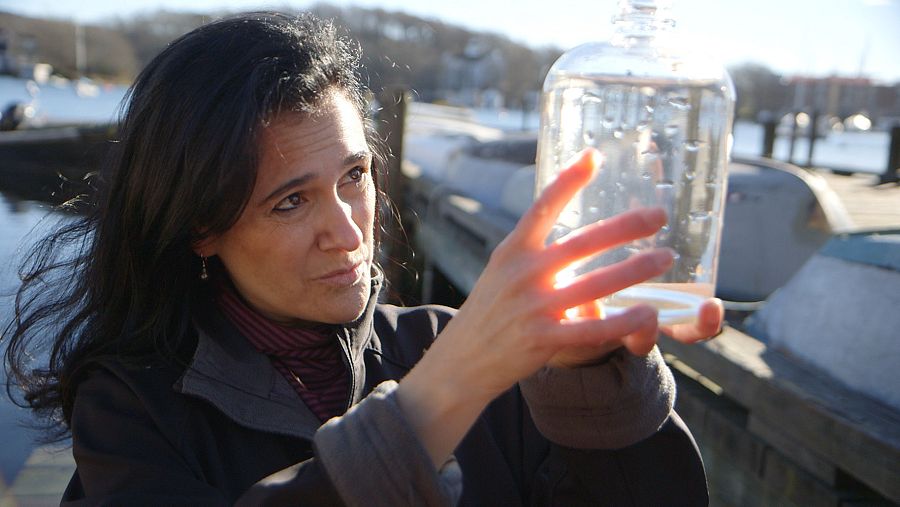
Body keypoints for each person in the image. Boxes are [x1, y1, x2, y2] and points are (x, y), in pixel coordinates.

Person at [3, 12, 723, 506]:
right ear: (201, 227)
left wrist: (592, 383)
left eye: (354, 175)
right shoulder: (134, 407)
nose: (347, 231)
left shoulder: (444, 343)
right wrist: (441, 395)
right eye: (291, 201)